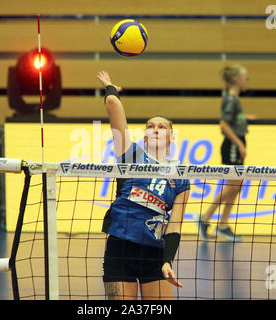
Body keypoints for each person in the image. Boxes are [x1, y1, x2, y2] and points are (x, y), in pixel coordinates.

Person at [97, 70, 190, 300]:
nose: (156, 129)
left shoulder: (180, 176)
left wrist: (168, 261)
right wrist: (111, 89)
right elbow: (111, 105)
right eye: (150, 126)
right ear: (145, 136)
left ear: (171, 137)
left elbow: (175, 226)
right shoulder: (131, 155)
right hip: (120, 251)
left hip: (154, 257)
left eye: (162, 127)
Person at [197, 64, 252, 242]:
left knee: (237, 185)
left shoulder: (233, 99)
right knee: (233, 185)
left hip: (236, 143)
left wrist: (245, 118)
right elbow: (224, 124)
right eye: (245, 78)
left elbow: (233, 119)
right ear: (237, 80)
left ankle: (223, 225)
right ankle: (205, 219)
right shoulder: (230, 99)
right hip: (232, 145)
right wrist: (239, 144)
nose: (247, 81)